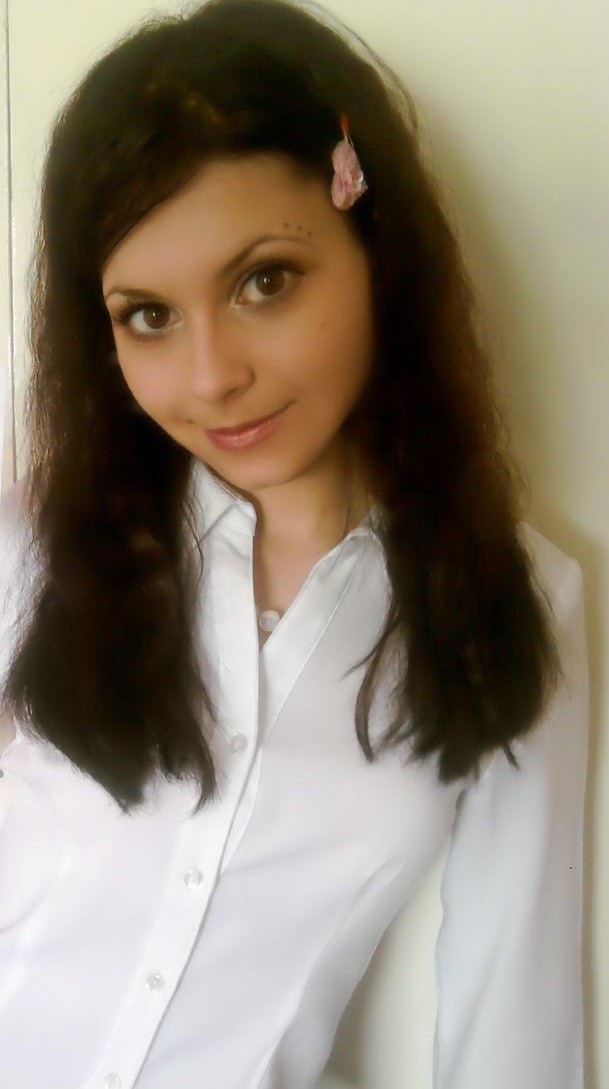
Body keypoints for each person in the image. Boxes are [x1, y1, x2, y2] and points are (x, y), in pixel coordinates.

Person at [0, 1, 588, 1087]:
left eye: (263, 280)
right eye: (148, 315)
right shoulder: (29, 542)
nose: (212, 376)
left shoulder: (514, 603)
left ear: (377, 252)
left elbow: (514, 1019)